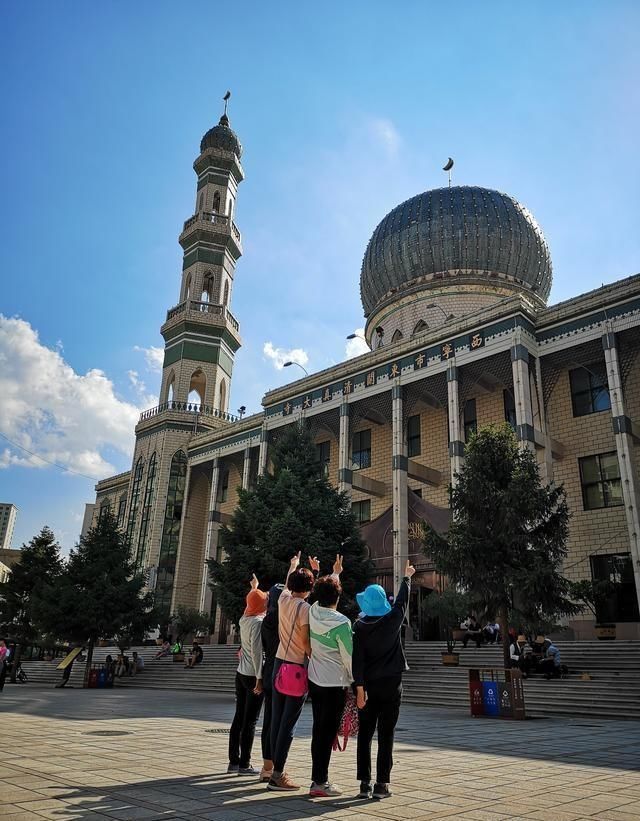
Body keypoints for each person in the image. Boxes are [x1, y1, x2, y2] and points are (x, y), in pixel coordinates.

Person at [353, 560, 415, 801]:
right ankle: (382, 785)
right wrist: (407, 577)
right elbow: (401, 602)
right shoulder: (392, 621)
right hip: (391, 684)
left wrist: (358, 688)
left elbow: (356, 660)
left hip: (366, 687)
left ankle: (364, 784)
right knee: (386, 733)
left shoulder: (359, 627)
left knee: (365, 734)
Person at [267, 552, 314, 792]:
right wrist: (313, 654)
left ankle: (274, 768)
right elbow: (306, 642)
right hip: (295, 666)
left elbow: (287, 585)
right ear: (308, 589)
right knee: (289, 722)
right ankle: (278, 775)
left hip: (278, 663)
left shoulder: (283, 600)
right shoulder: (304, 608)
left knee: (277, 718)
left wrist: (293, 565)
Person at [307, 556, 351, 798]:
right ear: (338, 597)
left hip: (315, 680)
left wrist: (334, 573)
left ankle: (317, 778)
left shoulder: (313, 611)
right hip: (335, 683)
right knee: (328, 732)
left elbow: (322, 592)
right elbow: (348, 658)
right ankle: (319, 782)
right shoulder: (342, 623)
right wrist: (356, 683)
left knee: (318, 730)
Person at [228, 574, 268, 776]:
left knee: (238, 717)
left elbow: (249, 604)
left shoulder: (244, 618)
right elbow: (256, 652)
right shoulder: (258, 623)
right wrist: (260, 679)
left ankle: (233, 761)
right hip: (253, 675)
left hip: (240, 673)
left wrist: (254, 587)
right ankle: (245, 764)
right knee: (250, 721)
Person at [260, 583, 284, 783]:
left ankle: (267, 767)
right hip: (284, 673)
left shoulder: (266, 620)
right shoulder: (285, 617)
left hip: (269, 673)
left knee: (268, 720)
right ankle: (278, 769)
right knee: (282, 722)